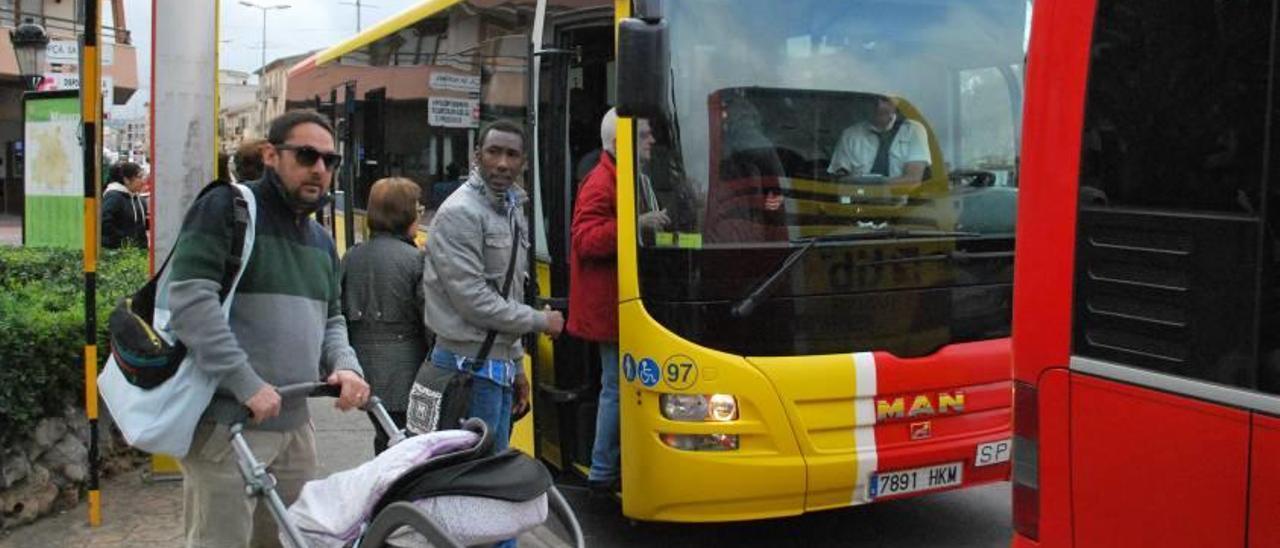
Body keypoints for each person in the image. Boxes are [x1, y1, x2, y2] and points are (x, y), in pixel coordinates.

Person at [167, 109, 371, 547]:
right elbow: (189, 302)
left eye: (329, 160)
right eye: (306, 155)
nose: (319, 168)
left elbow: (331, 318)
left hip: (295, 428)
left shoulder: (320, 240)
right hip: (228, 426)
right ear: (271, 155)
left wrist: (346, 366)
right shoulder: (227, 209)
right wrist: (246, 383)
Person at [421, 120, 564, 454]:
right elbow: (473, 300)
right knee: (472, 483)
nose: (502, 162)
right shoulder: (461, 212)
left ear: (524, 161)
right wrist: (540, 321)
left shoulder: (510, 209)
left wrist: (515, 365)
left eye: (512, 154)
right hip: (466, 372)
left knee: (489, 477)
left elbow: (508, 292)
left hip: (494, 371)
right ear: (477, 156)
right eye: (494, 152)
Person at [568, 108, 645, 495]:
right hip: (607, 307)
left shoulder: (623, 175)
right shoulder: (600, 181)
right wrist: (636, 226)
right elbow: (585, 239)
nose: (651, 144)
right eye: (643, 137)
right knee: (615, 388)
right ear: (619, 144)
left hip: (618, 303)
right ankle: (602, 472)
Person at [341, 177, 429, 454]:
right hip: (407, 371)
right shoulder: (415, 260)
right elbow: (431, 321)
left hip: (365, 369)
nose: (420, 213)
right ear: (404, 214)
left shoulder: (353, 256)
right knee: (407, 447)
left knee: (385, 438)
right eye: (418, 208)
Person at [828, 95, 931, 184]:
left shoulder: (913, 130)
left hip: (902, 205)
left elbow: (913, 180)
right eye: (874, 101)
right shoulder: (850, 134)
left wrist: (876, 185)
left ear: (896, 103)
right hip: (856, 204)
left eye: (885, 100)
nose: (879, 106)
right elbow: (839, 179)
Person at [101, 161, 149, 249]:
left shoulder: (139, 200)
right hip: (118, 255)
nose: (143, 181)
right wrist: (125, 242)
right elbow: (105, 224)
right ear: (126, 180)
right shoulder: (114, 197)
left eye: (143, 177)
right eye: (139, 177)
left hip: (136, 254)